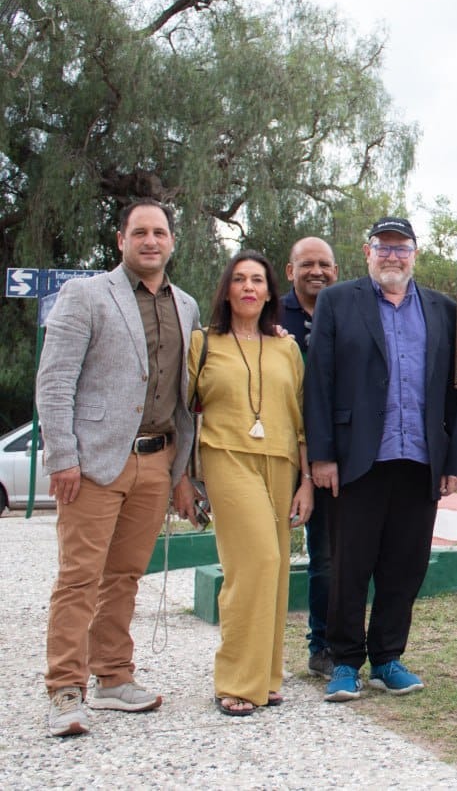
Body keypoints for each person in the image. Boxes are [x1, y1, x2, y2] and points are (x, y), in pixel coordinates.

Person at [36, 199, 201, 737]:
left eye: (160, 232)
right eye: (140, 232)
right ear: (121, 240)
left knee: (125, 576)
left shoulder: (188, 307)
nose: (150, 241)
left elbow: (184, 395)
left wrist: (181, 470)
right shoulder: (85, 295)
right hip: (94, 463)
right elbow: (55, 380)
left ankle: (111, 677)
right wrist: (63, 457)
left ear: (172, 241)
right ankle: (65, 689)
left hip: (156, 463)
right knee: (79, 578)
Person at [304, 216, 457, 702]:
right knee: (348, 565)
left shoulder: (443, 310)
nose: (393, 256)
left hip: (421, 460)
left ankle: (387, 659)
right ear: (367, 251)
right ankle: (344, 662)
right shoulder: (339, 301)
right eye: (384, 247)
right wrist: (322, 456)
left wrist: (456, 460)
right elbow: (319, 382)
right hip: (358, 459)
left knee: (406, 564)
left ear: (415, 253)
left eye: (402, 248)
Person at [191, 250, 312, 716]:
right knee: (256, 560)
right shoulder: (203, 342)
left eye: (257, 280)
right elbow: (186, 412)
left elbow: (301, 421)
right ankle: (238, 680)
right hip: (225, 457)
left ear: (268, 292)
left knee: (278, 565)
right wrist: (182, 478)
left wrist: (306, 483)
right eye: (238, 279)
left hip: (280, 462)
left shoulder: (287, 347)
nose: (248, 287)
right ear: (226, 290)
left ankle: (267, 676)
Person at [280, 236, 340, 679]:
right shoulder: (267, 316)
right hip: (277, 453)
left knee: (328, 556)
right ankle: (257, 653)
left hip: (331, 457)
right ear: (290, 271)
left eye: (324, 264)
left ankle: (322, 646)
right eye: (307, 264)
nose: (316, 271)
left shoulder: (347, 310)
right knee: (266, 556)